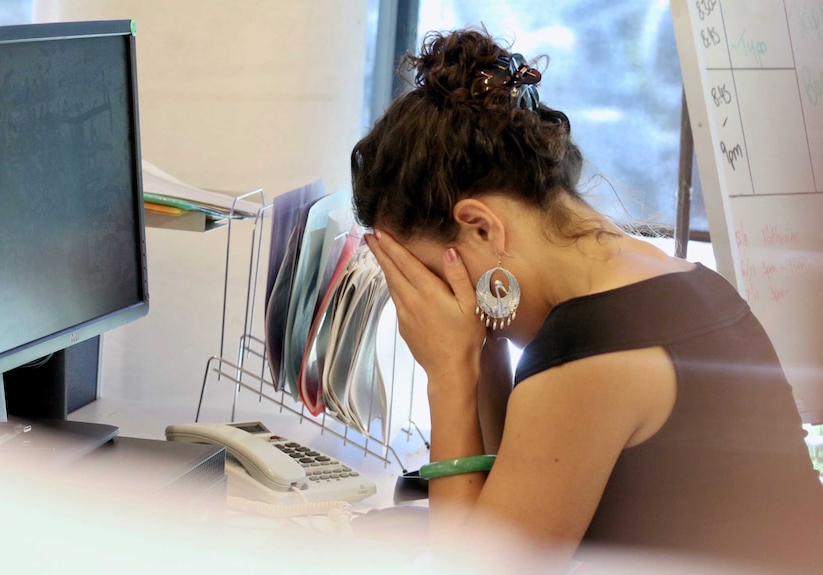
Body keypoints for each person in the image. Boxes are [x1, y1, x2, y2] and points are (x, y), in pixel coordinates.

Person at [350, 28, 823, 573]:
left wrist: (447, 374)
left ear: (480, 228)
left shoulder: (590, 356)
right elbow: (521, 488)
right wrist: (481, 345)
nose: (436, 302)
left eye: (434, 278)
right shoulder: (675, 282)